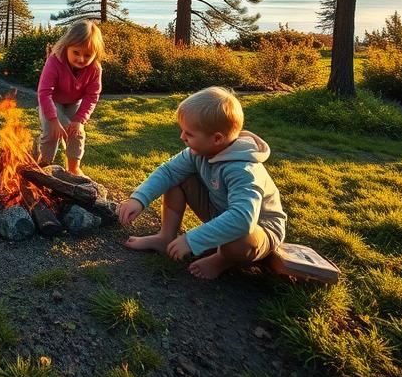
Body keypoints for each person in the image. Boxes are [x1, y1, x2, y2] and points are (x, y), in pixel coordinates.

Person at [118, 87, 287, 280]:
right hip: (221, 210)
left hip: (258, 230)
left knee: (238, 237)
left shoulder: (243, 170)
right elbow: (168, 171)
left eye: (189, 134)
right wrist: (138, 199)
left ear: (217, 139)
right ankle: (165, 237)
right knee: (176, 177)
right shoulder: (197, 152)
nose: (182, 137)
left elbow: (242, 219)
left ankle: (222, 260)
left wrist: (192, 240)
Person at [36, 20, 104, 177]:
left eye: (87, 55)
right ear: (67, 46)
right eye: (76, 53)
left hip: (74, 102)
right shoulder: (54, 61)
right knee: (52, 132)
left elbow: (92, 96)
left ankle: (73, 168)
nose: (81, 59)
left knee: (76, 131)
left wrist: (79, 120)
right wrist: (53, 121)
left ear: (95, 53)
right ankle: (44, 166)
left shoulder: (95, 69)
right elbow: (44, 93)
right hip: (52, 101)